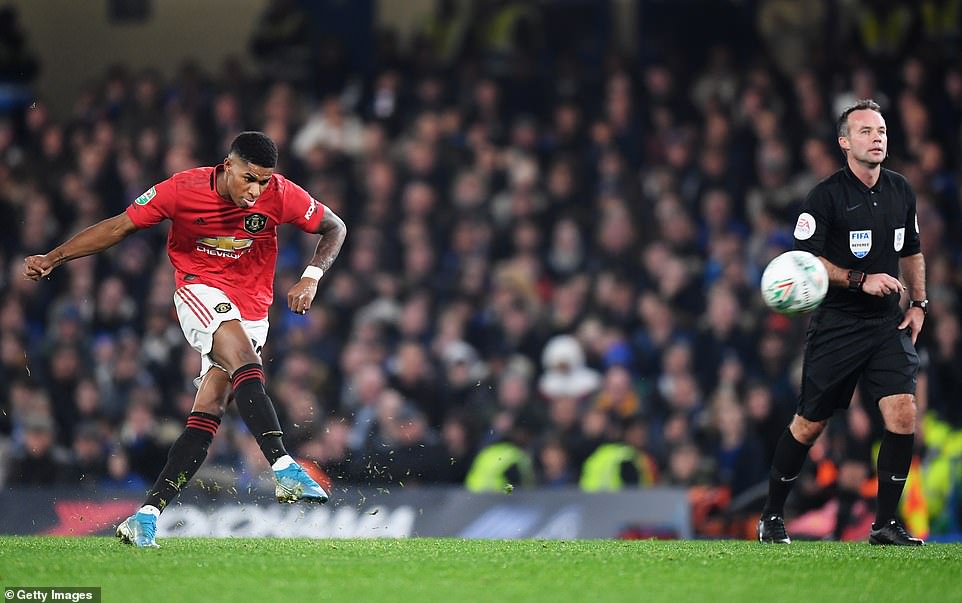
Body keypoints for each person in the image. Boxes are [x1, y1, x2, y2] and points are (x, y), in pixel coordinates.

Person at [23, 131, 347, 548]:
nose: (256, 190)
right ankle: (283, 464)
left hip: (253, 308)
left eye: (264, 181)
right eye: (249, 178)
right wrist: (54, 257)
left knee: (209, 410)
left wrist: (311, 276)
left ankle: (146, 515)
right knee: (244, 358)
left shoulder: (280, 194)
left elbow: (335, 227)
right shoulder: (182, 189)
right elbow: (120, 227)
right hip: (200, 289)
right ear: (227, 165)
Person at [757, 100, 927, 546]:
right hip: (838, 323)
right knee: (810, 423)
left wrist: (920, 304)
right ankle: (772, 516)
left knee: (904, 413)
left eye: (883, 131)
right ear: (844, 142)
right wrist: (859, 279)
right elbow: (804, 259)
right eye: (867, 131)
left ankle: (885, 525)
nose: (877, 138)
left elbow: (911, 251)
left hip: (887, 325)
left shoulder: (900, 190)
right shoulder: (825, 196)